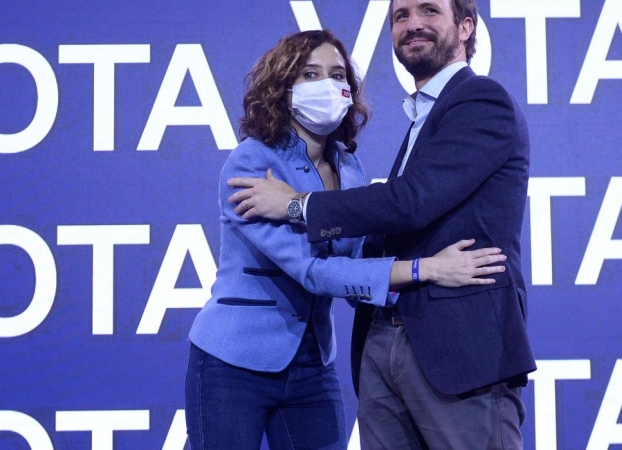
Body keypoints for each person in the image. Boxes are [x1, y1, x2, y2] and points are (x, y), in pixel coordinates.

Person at [227, 1, 536, 448]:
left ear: (466, 26)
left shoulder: (481, 100)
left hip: (459, 349)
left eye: (429, 11)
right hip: (384, 339)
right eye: (401, 16)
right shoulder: (423, 117)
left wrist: (298, 206)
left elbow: (411, 203)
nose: (413, 25)